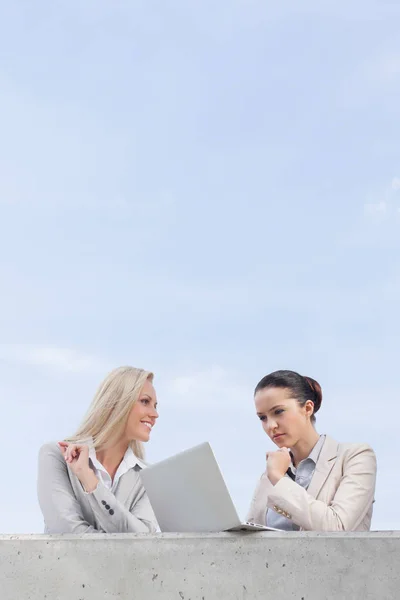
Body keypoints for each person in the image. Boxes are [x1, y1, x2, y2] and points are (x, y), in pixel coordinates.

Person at [247, 370, 377, 531]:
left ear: (308, 408)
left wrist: (279, 479)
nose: (271, 425)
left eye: (278, 412)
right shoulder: (271, 473)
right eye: (262, 418)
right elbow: (251, 534)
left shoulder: (355, 456)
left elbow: (337, 528)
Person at [37, 366, 159, 534]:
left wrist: (90, 481)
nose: (155, 414)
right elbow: (65, 532)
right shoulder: (56, 455)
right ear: (119, 401)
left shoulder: (149, 477)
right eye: (145, 401)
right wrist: (122, 545)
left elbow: (144, 540)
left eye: (155, 405)